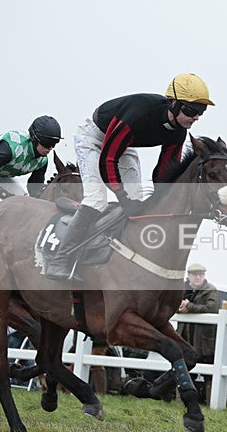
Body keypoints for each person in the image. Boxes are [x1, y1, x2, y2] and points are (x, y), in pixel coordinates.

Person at [45, 73, 214, 280]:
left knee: (138, 203)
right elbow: (107, 159)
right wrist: (122, 198)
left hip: (124, 145)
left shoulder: (178, 131)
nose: (196, 117)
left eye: (201, 112)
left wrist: (162, 200)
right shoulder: (140, 113)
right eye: (191, 110)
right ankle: (60, 260)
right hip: (93, 139)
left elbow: (163, 172)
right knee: (96, 200)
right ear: (174, 103)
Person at [0, 115, 62, 208]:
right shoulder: (11, 149)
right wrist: (1, 191)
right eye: (46, 143)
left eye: (53, 144)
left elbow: (35, 189)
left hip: (1, 175)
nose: (49, 148)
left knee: (24, 205)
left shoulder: (42, 161)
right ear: (34, 138)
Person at [177, 263, 220, 365]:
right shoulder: (181, 288)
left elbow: (212, 308)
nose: (198, 277)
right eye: (195, 274)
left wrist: (189, 306)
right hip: (184, 334)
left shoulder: (210, 290)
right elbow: (169, 304)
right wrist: (179, 308)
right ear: (189, 275)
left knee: (206, 367)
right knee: (183, 363)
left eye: (201, 274)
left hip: (203, 337)